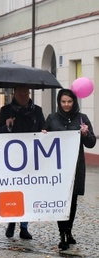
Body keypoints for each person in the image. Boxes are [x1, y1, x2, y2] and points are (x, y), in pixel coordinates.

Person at [42, 89, 96, 250]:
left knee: (72, 202)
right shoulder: (52, 118)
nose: (66, 105)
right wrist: (44, 135)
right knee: (61, 201)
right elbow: (43, 141)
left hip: (75, 167)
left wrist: (85, 134)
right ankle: (62, 233)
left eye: (69, 102)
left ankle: (69, 230)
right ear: (59, 102)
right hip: (58, 168)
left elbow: (92, 143)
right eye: (63, 101)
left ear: (74, 102)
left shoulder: (82, 118)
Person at [0, 85, 45, 239]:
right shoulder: (6, 110)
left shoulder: (37, 110)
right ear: (14, 93)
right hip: (12, 159)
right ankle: (11, 221)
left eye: (25, 92)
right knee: (13, 192)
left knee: (28, 192)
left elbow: (44, 129)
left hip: (31, 158)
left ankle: (24, 226)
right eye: (20, 92)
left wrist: (44, 132)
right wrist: (7, 126)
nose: (23, 95)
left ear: (29, 93)